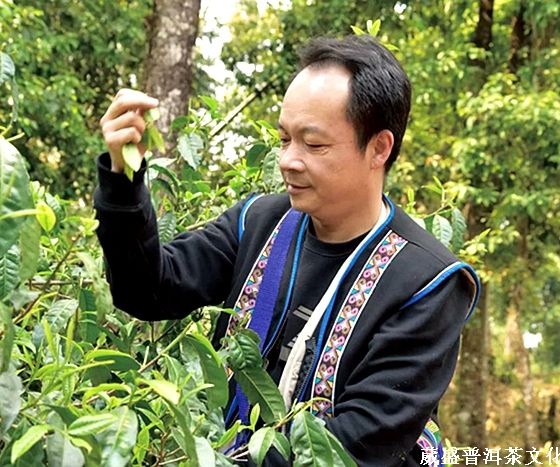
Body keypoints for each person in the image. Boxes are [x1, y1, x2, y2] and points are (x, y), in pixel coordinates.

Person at [94, 35, 479, 466]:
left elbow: (354, 444)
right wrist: (122, 178)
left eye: (313, 144)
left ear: (379, 148)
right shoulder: (259, 222)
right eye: (284, 139)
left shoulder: (428, 282)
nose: (288, 160)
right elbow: (148, 290)